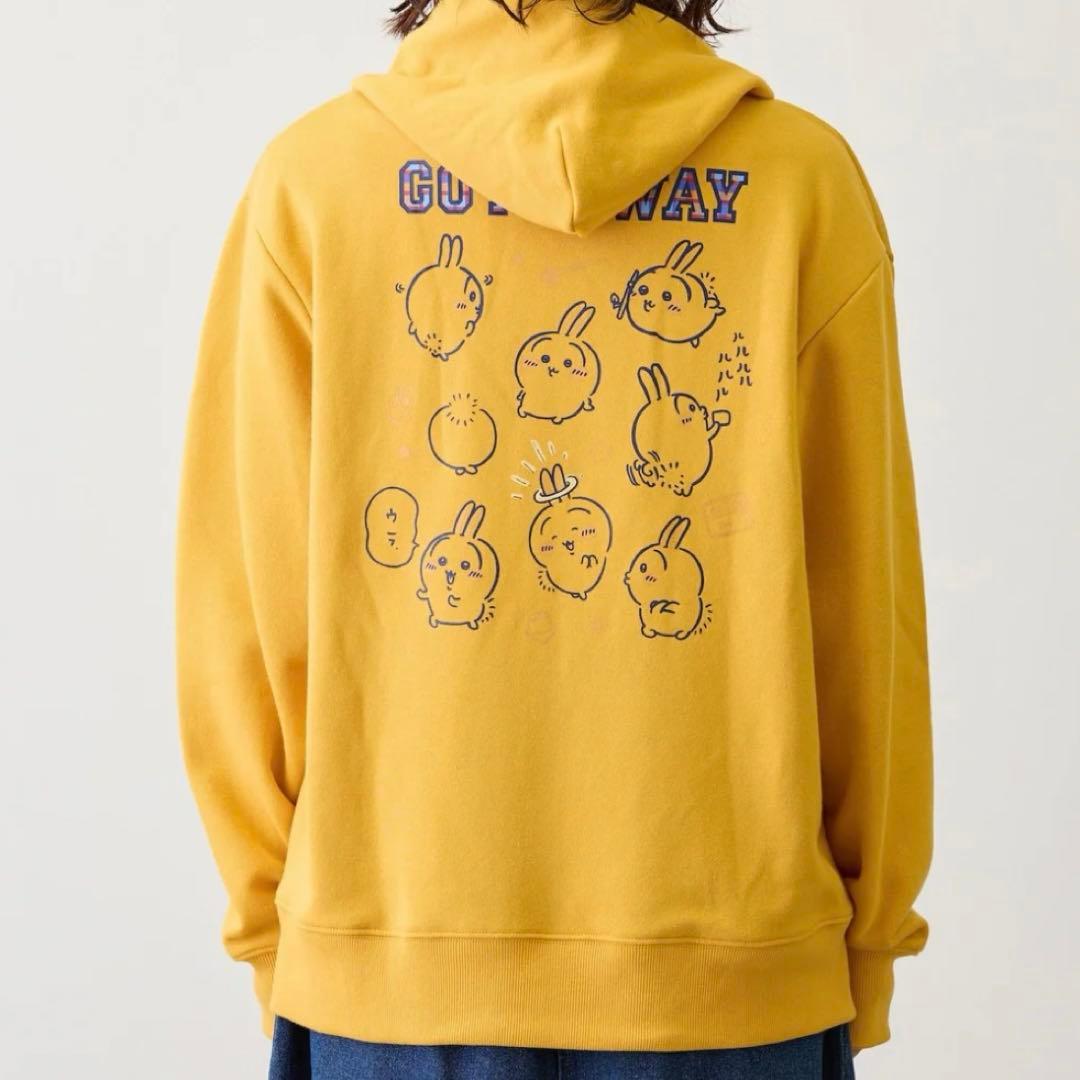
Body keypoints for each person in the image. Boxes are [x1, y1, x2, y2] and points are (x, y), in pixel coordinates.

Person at [176, 2, 933, 1077]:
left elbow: (247, 611)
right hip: (731, 987)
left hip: (391, 972)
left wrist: (276, 928)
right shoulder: (800, 183)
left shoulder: (313, 182)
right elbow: (864, 612)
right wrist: (864, 936)